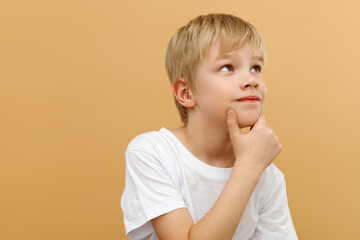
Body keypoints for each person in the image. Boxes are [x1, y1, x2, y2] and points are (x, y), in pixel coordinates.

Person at [121, 13, 298, 240]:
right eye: (227, 67)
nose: (252, 79)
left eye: (256, 67)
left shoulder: (267, 176)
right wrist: (248, 167)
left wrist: (253, 167)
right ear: (186, 93)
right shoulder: (152, 153)